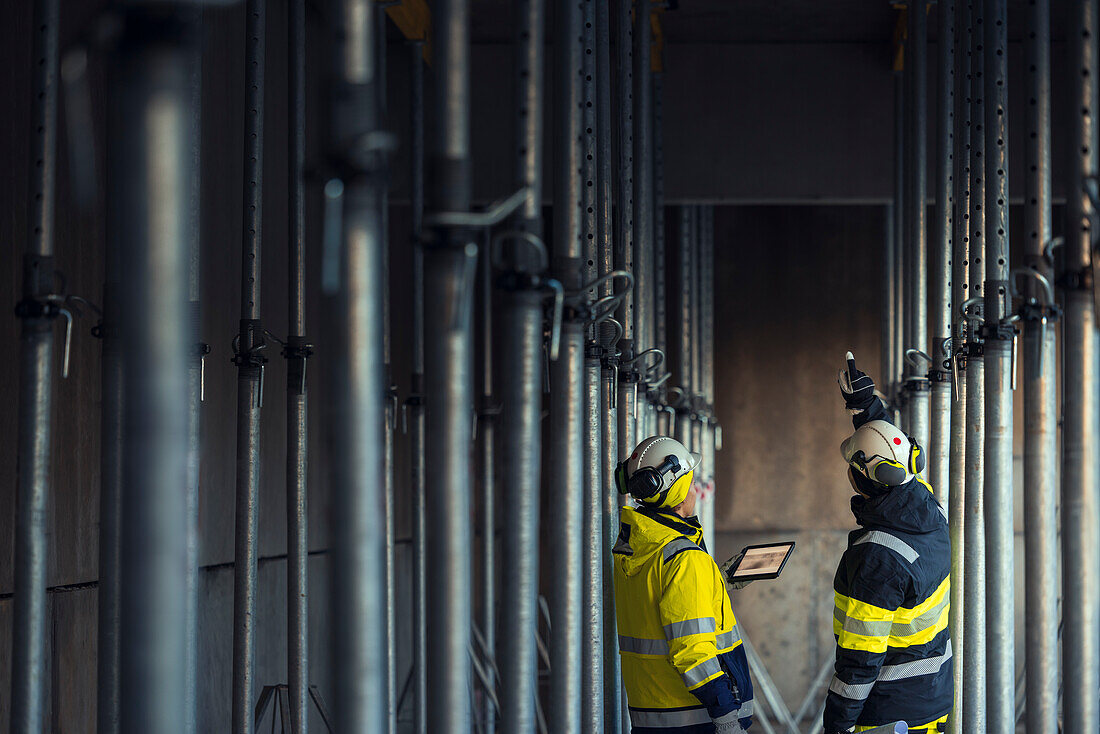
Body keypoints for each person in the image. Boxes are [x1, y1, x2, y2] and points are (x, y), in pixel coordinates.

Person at [824, 353, 953, 734]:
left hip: (889, 712)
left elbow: (861, 658)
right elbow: (888, 459)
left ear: (864, 480)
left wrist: (838, 725)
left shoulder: (878, 557)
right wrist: (865, 406)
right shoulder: (925, 505)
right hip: (930, 698)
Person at [612, 436, 754, 733]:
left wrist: (716, 580)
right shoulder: (685, 560)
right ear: (675, 490)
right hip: (697, 719)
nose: (694, 490)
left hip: (652, 713)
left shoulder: (636, 548)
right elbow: (693, 651)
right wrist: (727, 719)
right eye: (690, 482)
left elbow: (659, 603)